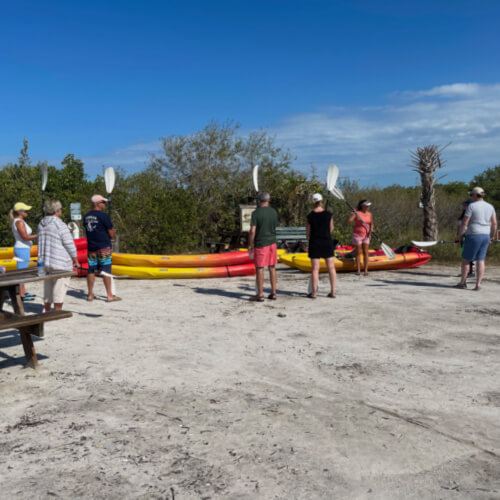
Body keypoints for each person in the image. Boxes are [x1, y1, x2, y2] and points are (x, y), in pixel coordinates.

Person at [37, 200, 79, 311]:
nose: (61, 210)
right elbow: (69, 244)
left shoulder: (41, 223)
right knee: (60, 286)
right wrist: (75, 259)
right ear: (57, 211)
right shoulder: (60, 224)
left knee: (48, 285)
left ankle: (46, 308)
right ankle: (57, 309)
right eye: (60, 208)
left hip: (44, 260)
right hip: (60, 260)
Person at [455, 187, 497, 290]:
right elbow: (494, 223)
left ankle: (463, 282)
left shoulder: (472, 206)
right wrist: (492, 236)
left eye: (471, 195)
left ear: (474, 195)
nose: (471, 197)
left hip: (474, 234)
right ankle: (478, 284)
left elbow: (465, 222)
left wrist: (459, 235)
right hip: (485, 235)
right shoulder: (490, 206)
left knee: (466, 260)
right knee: (480, 260)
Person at [83, 194, 120, 302]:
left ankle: (90, 294)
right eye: (103, 202)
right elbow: (110, 231)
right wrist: (112, 237)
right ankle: (109, 295)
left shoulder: (86, 216)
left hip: (91, 247)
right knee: (106, 270)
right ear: (97, 204)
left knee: (91, 270)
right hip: (103, 246)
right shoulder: (103, 216)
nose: (104, 204)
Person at [248, 192, 279, 301]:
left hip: (261, 243)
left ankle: (260, 294)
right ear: (268, 200)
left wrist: (251, 244)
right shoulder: (274, 212)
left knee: (260, 268)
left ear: (259, 201)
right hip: (272, 243)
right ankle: (274, 293)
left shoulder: (256, 213)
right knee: (272, 267)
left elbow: (252, 231)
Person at [306, 193, 336, 298]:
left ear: (313, 202)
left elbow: (308, 233)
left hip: (315, 242)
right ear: (321, 201)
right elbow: (331, 229)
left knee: (315, 269)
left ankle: (314, 293)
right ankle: (333, 292)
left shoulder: (310, 216)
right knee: (331, 268)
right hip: (327, 241)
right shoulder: (329, 215)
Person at [10, 202, 37, 300]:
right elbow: (25, 237)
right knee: (21, 273)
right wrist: (38, 235)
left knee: (23, 272)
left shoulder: (18, 221)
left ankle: (23, 292)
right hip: (22, 249)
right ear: (18, 211)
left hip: (23, 248)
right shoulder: (19, 222)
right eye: (25, 210)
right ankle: (21, 294)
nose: (27, 212)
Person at [347, 199, 374, 276]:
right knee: (358, 252)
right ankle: (358, 270)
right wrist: (353, 214)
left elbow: (371, 224)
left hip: (366, 235)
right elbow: (348, 221)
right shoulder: (357, 213)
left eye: (369, 206)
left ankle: (366, 270)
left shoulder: (370, 214)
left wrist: (371, 229)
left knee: (366, 252)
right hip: (357, 235)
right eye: (367, 205)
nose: (368, 207)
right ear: (362, 206)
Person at [457, 199, 475, 277]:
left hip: (468, 236)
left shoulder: (472, 215)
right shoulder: (463, 215)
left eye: (465, 205)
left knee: (470, 255)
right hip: (463, 236)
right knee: (465, 255)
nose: (463, 206)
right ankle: (466, 271)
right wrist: (458, 236)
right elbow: (460, 226)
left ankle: (471, 271)